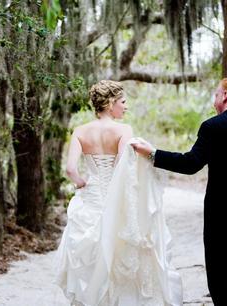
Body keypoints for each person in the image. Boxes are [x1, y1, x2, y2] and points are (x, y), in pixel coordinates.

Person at [132, 76, 227, 305]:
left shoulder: (212, 127)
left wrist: (153, 153)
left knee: (221, 275)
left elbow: (190, 163)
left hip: (220, 217)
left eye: (216, 95)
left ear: (225, 95)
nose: (215, 100)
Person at [55, 80, 182, 306]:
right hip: (116, 199)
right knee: (118, 250)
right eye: (123, 102)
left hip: (91, 199)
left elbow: (70, 169)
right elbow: (125, 171)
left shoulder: (80, 131)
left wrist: (82, 183)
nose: (126, 106)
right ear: (111, 102)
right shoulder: (123, 130)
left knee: (93, 256)